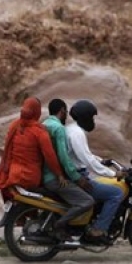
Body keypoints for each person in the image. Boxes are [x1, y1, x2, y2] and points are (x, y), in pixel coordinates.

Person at [66, 99, 126, 245]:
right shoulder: (77, 134)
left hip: (74, 174)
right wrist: (113, 174)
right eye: (92, 117)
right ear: (85, 117)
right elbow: (87, 160)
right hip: (77, 177)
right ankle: (97, 230)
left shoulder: (72, 129)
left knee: (101, 188)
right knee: (115, 193)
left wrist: (102, 160)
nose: (93, 121)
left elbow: (84, 155)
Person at [0, 97, 67, 202]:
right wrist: (59, 175)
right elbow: (50, 156)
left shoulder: (14, 125)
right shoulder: (39, 132)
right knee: (58, 196)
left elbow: (8, 150)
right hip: (30, 179)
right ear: (37, 112)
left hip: (12, 176)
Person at [42, 98, 95, 241]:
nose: (67, 116)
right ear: (62, 111)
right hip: (54, 178)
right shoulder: (59, 128)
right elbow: (63, 156)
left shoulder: (44, 124)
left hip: (44, 175)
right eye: (66, 112)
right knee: (87, 201)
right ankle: (60, 225)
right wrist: (77, 178)